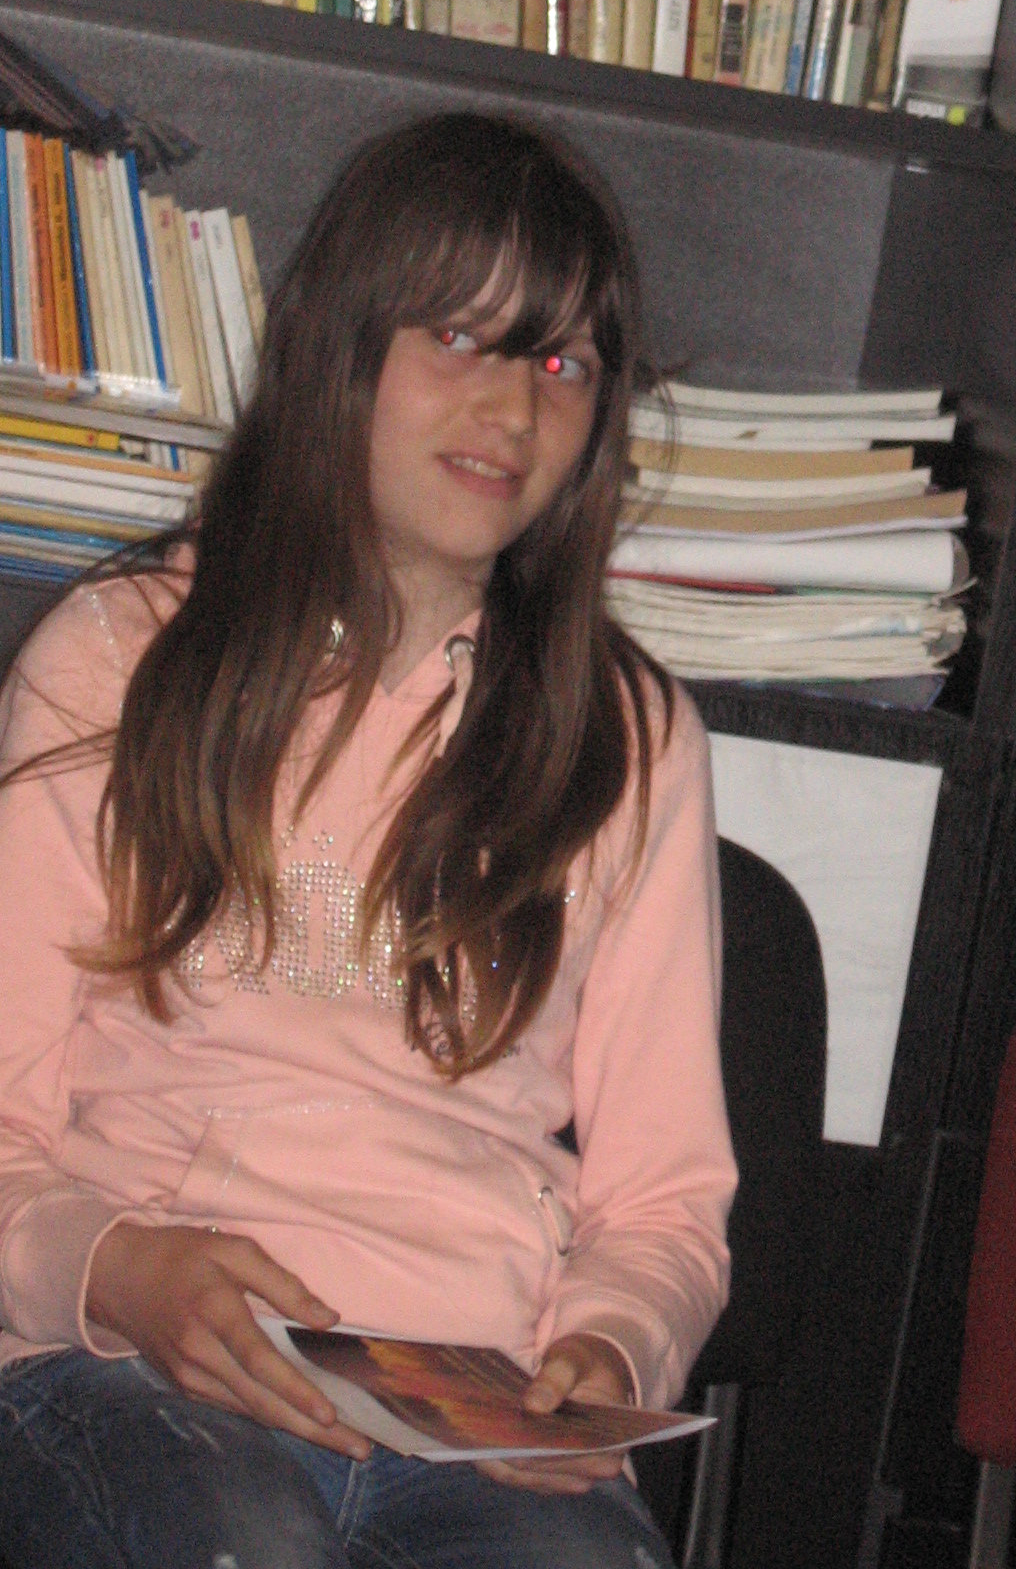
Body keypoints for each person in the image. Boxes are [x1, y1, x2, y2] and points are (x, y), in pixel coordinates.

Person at [0, 113, 736, 1569]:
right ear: (341, 350)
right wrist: (117, 1270)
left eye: (564, 364)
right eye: (460, 338)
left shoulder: (632, 741)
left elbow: (666, 1197)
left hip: (473, 1404)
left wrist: (612, 1343)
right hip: (137, 1370)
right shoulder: (122, 660)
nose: (514, 410)